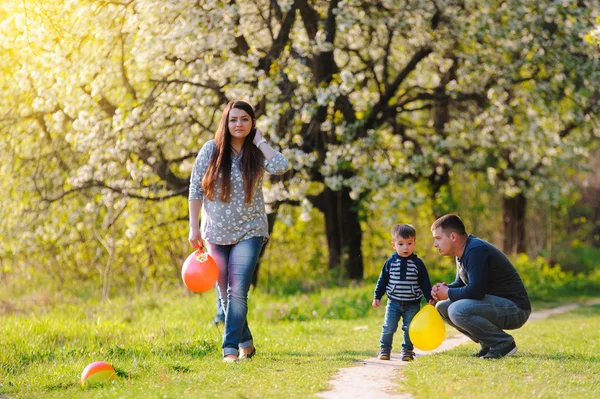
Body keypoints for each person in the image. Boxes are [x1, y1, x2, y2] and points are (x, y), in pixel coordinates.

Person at [188, 100, 290, 362]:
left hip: (250, 230)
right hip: (215, 233)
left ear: (252, 123)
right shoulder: (211, 150)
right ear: (226, 122)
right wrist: (193, 227)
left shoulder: (256, 153)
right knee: (224, 293)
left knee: (238, 290)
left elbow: (282, 166)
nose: (239, 124)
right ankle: (246, 343)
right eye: (233, 119)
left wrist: (261, 142)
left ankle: (229, 348)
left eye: (245, 119)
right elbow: (195, 189)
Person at [430, 214, 531, 359]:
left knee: (457, 310)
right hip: (496, 305)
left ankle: (503, 343)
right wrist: (443, 290)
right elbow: (462, 283)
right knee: (442, 306)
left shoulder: (475, 250)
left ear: (453, 237)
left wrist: (449, 292)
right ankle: (488, 344)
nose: (434, 244)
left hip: (516, 309)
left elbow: (477, 291)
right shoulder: (462, 252)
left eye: (438, 238)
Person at [373, 224, 434, 361]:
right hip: (393, 302)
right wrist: (377, 296)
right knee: (389, 326)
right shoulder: (390, 262)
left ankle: (407, 351)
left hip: (412, 303)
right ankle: (384, 349)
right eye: (401, 244)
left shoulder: (418, 263)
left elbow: (424, 281)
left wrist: (429, 296)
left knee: (409, 328)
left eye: (409, 243)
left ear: (414, 244)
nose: (405, 247)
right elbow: (382, 280)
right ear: (394, 245)